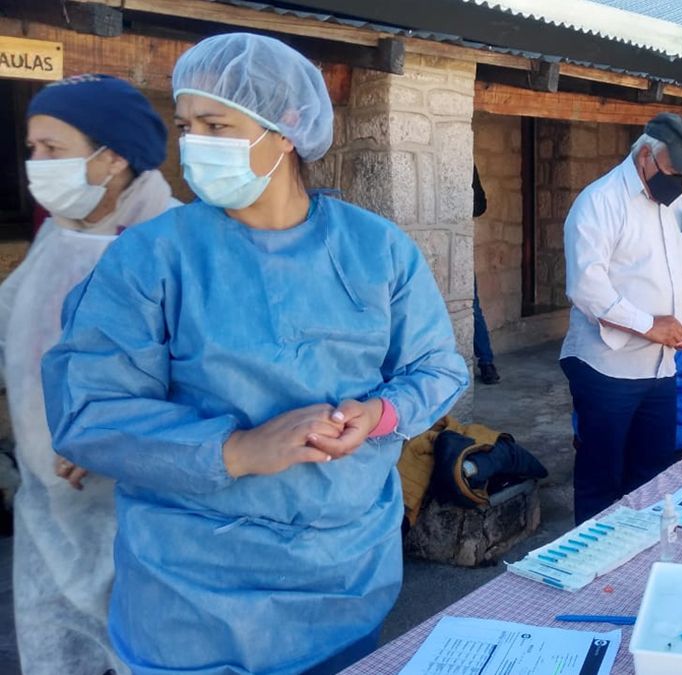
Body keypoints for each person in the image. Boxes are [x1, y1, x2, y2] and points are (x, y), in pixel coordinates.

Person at [41, 34, 469, 673]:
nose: (195, 145)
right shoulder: (151, 258)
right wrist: (237, 451)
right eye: (185, 127)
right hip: (191, 593)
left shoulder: (376, 249)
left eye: (216, 126)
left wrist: (378, 415)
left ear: (287, 127)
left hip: (342, 574)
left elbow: (435, 368)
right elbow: (90, 412)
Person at [2, 73, 176, 675]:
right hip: (49, 507)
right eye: (33, 148)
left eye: (54, 148)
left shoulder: (174, 241)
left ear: (113, 156)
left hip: (142, 506)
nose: (37, 162)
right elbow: (17, 329)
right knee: (56, 648)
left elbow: (212, 379)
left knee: (150, 649)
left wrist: (112, 436)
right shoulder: (57, 234)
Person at [560, 113, 682, 523]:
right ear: (646, 155)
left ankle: (640, 552)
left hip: (661, 368)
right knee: (601, 479)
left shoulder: (679, 207)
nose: (678, 181)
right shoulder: (600, 202)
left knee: (652, 476)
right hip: (607, 367)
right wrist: (648, 324)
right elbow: (586, 286)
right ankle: (592, 555)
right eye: (673, 170)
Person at [472, 166, 500, 384]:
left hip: (454, 242)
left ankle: (486, 361)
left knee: (470, 305)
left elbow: (480, 204)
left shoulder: (465, 164)